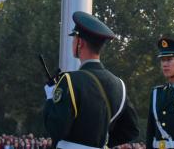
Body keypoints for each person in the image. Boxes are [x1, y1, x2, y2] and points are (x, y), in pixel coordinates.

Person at [43, 11, 140, 148]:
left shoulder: (70, 80)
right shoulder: (119, 85)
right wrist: (101, 143)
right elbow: (131, 130)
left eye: (74, 38)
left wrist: (50, 97)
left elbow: (55, 129)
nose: (73, 42)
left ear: (80, 43)